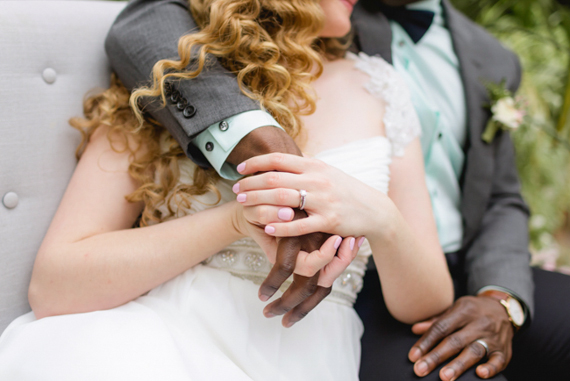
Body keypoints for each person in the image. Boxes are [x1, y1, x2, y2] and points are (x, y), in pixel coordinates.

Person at [104, 0, 570, 380]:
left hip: (444, 258)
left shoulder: (492, 56)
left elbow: (502, 199)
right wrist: (259, 146)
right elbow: (145, 26)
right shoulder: (335, 19)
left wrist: (500, 297)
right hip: (356, 281)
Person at [0, 0, 454, 379]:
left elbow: (428, 300)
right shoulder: (176, 73)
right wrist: (236, 219)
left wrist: (381, 217)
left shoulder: (381, 88)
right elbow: (54, 285)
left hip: (310, 360)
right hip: (156, 342)